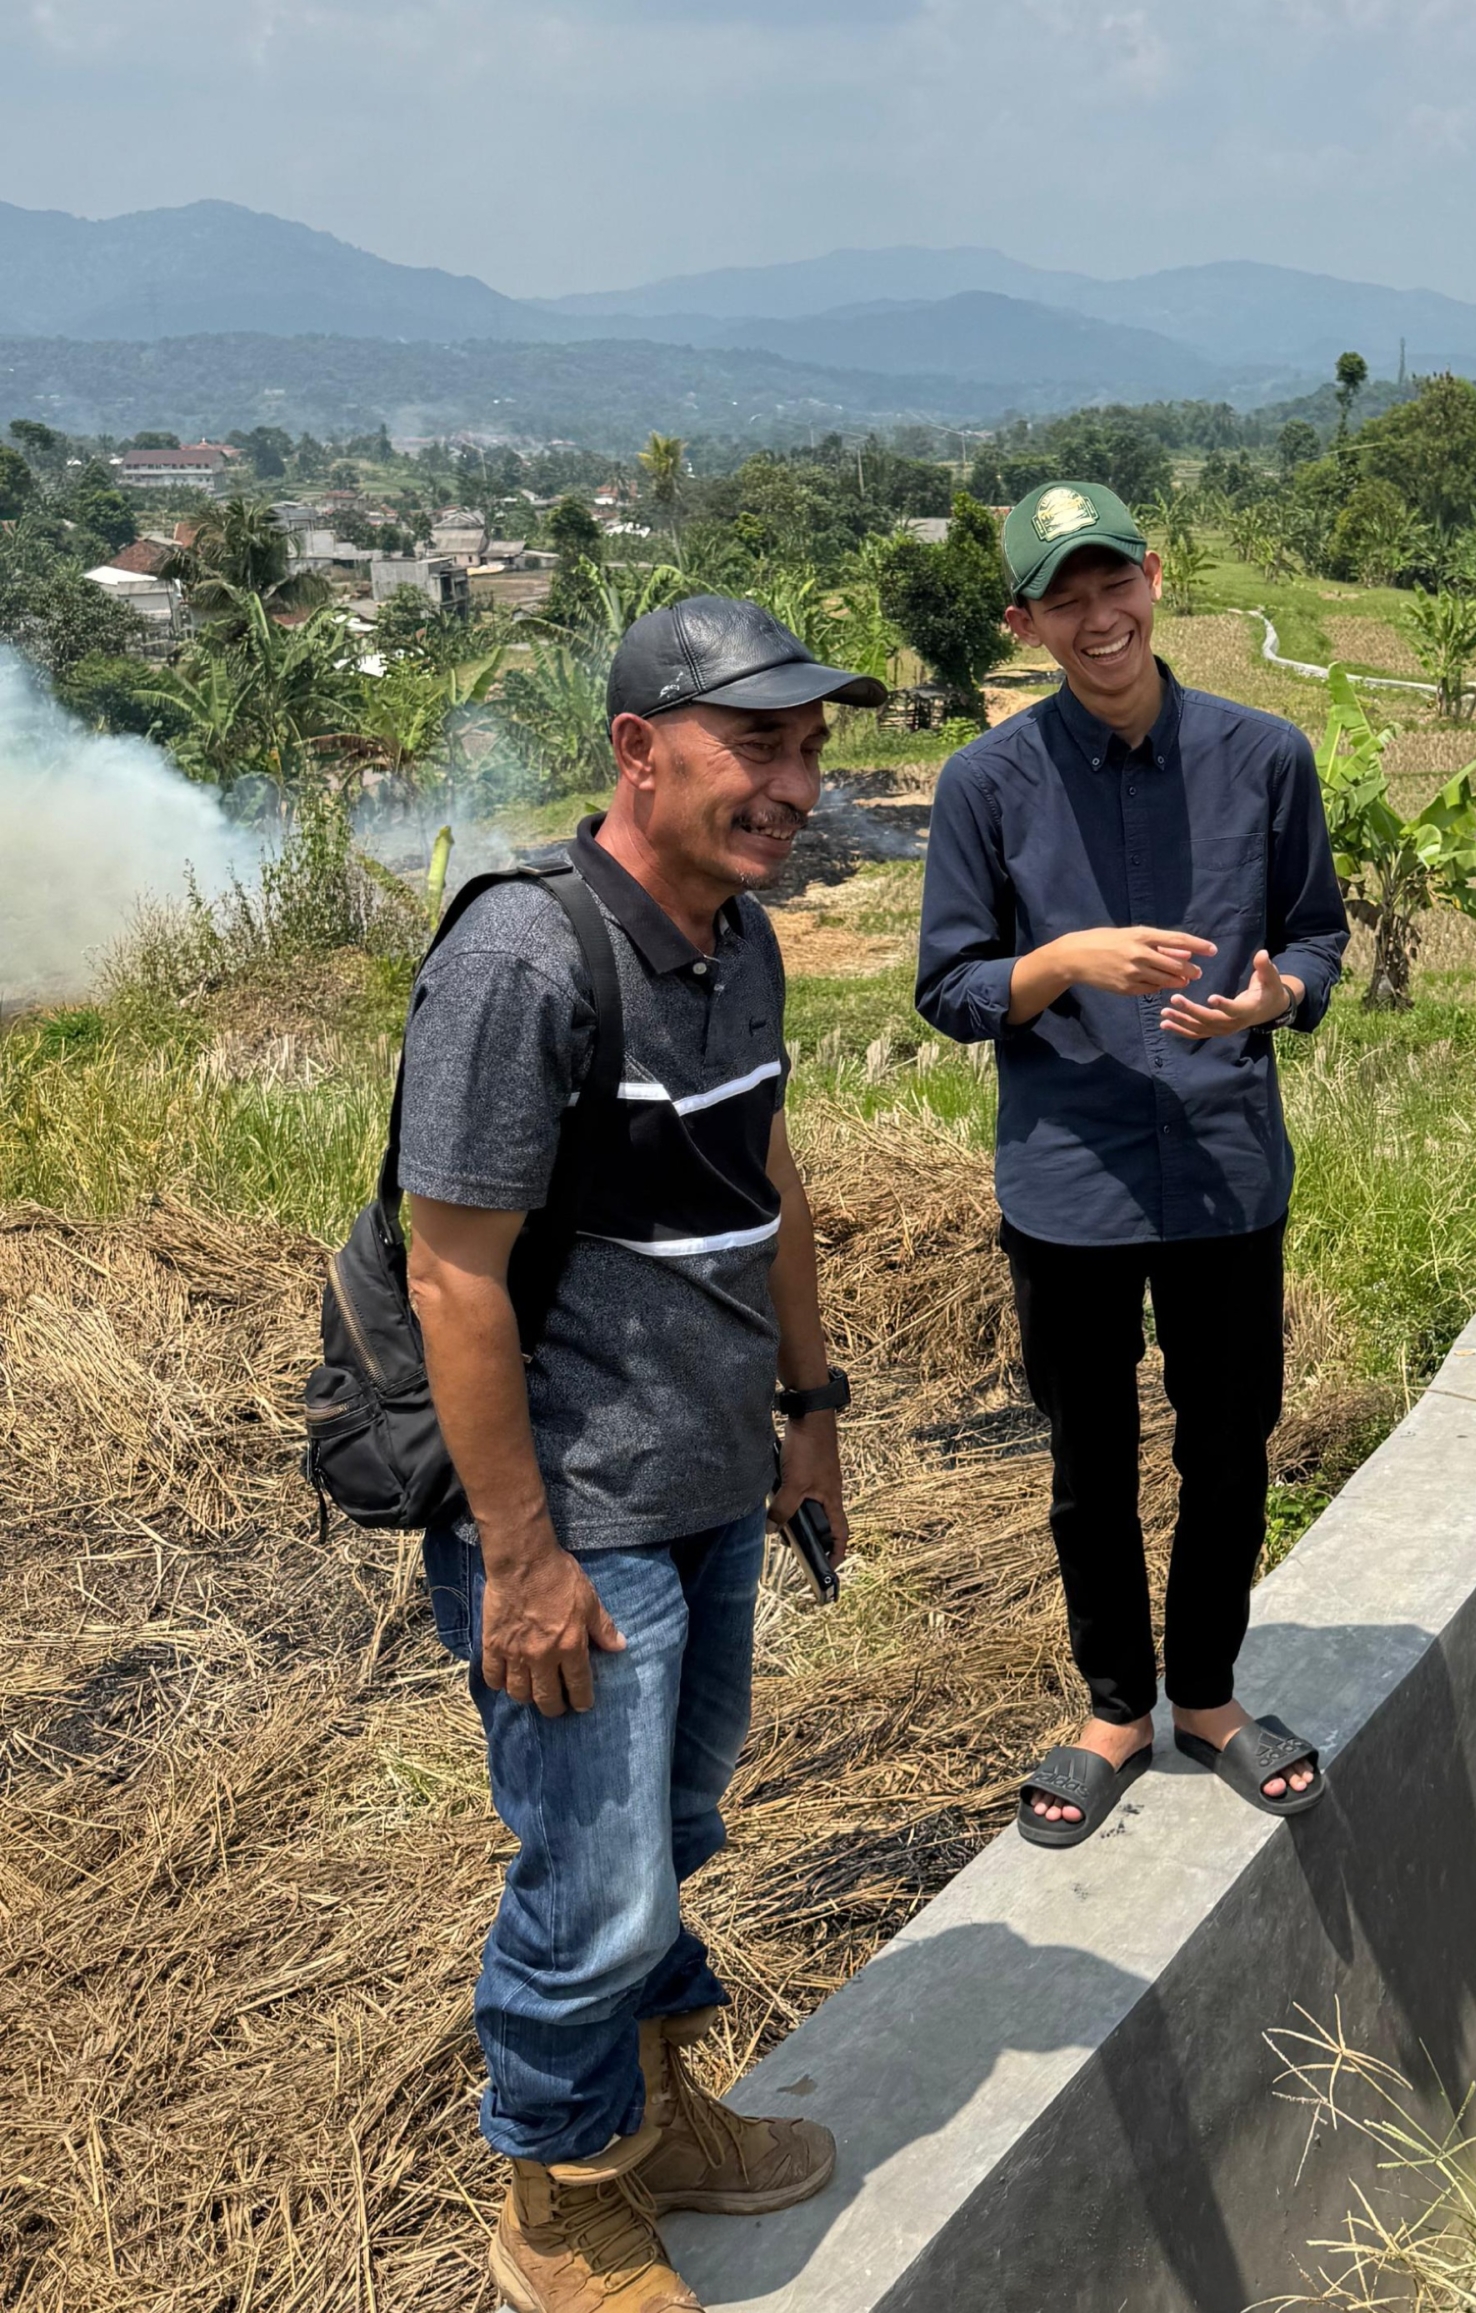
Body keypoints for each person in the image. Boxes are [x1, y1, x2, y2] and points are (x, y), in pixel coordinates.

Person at [405, 599, 883, 2313]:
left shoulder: (737, 937)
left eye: (809, 746)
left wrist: (811, 1416)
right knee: (592, 1885)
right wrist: (522, 1558)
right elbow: (450, 1270)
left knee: (670, 1834)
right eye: (758, 743)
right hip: (578, 1519)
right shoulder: (522, 959)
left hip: (713, 1487)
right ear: (639, 749)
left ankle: (653, 2115)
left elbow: (769, 1185)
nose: (793, 782)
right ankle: (556, 2192)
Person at [915, 479, 1350, 1847]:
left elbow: (1318, 936)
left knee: (1232, 1445)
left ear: (1157, 577)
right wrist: (1060, 963)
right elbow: (949, 985)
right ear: (1025, 619)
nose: (1100, 616)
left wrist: (1272, 1000)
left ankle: (1210, 1694)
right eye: (1066, 596)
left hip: (1225, 1164)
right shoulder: (989, 783)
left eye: (1118, 583)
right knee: (1090, 1459)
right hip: (1073, 1183)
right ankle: (1114, 1702)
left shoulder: (1264, 757)